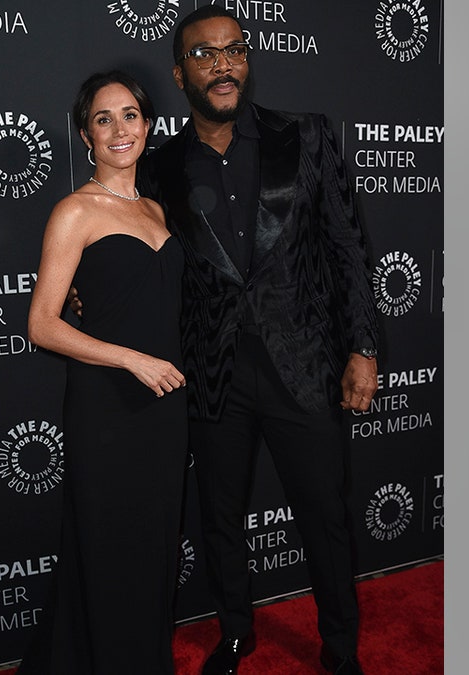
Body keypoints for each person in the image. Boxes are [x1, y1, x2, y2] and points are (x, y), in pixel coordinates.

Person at [136, 7, 381, 675]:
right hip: (212, 373)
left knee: (326, 519)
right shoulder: (159, 168)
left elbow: (349, 248)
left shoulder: (305, 137)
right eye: (206, 54)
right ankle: (237, 633)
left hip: (304, 365)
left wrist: (364, 345)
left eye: (234, 50)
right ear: (180, 71)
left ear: (247, 59)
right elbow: (137, 261)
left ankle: (339, 648)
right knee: (220, 518)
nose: (224, 64)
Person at [16, 70, 188, 675]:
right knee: (110, 545)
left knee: (153, 547)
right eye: (103, 119)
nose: (120, 130)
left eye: (131, 116)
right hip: (107, 405)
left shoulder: (156, 208)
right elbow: (42, 324)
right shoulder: (74, 211)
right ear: (85, 135)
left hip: (164, 406)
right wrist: (128, 357)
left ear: (148, 124)